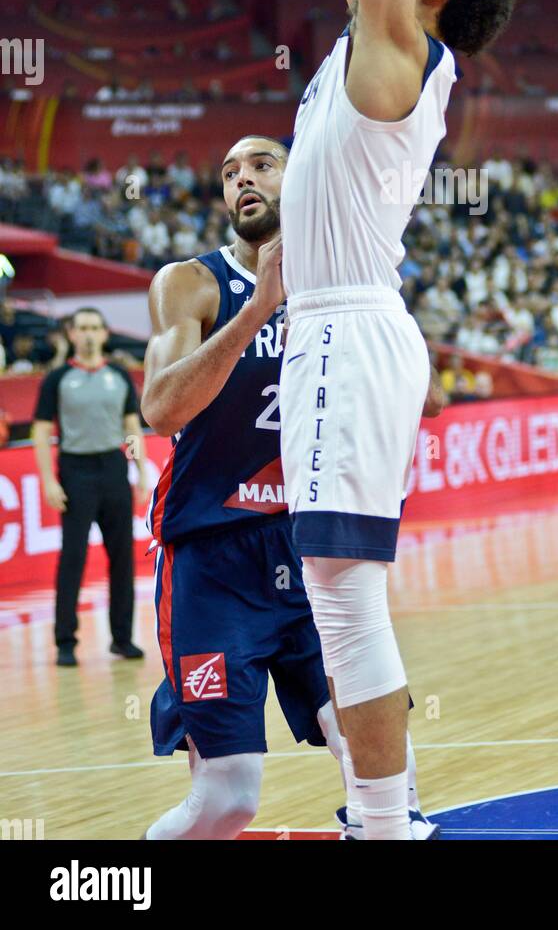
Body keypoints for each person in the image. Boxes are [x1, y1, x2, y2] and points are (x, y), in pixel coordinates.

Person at [278, 0, 525, 840]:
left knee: (341, 596)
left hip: (346, 329)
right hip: (350, 328)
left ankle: (384, 826)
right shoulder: (388, 39)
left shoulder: (397, 38)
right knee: (342, 593)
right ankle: (387, 816)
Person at [140, 134, 441, 840]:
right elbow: (161, 409)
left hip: (310, 544)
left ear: (298, 176)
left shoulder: (346, 281)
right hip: (213, 558)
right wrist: (258, 311)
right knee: (228, 801)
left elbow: (412, 397)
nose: (241, 178)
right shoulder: (191, 283)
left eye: (260, 165)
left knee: (379, 758)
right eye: (228, 170)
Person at [32, 307, 147, 667]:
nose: (88, 334)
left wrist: (140, 470)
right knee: (73, 558)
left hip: (113, 468)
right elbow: (39, 431)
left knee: (122, 557)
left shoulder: (118, 375)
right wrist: (49, 479)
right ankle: (66, 641)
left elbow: (132, 425)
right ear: (71, 334)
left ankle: (123, 639)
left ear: (104, 333)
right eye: (82, 328)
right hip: (75, 470)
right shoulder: (57, 379)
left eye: (95, 328)